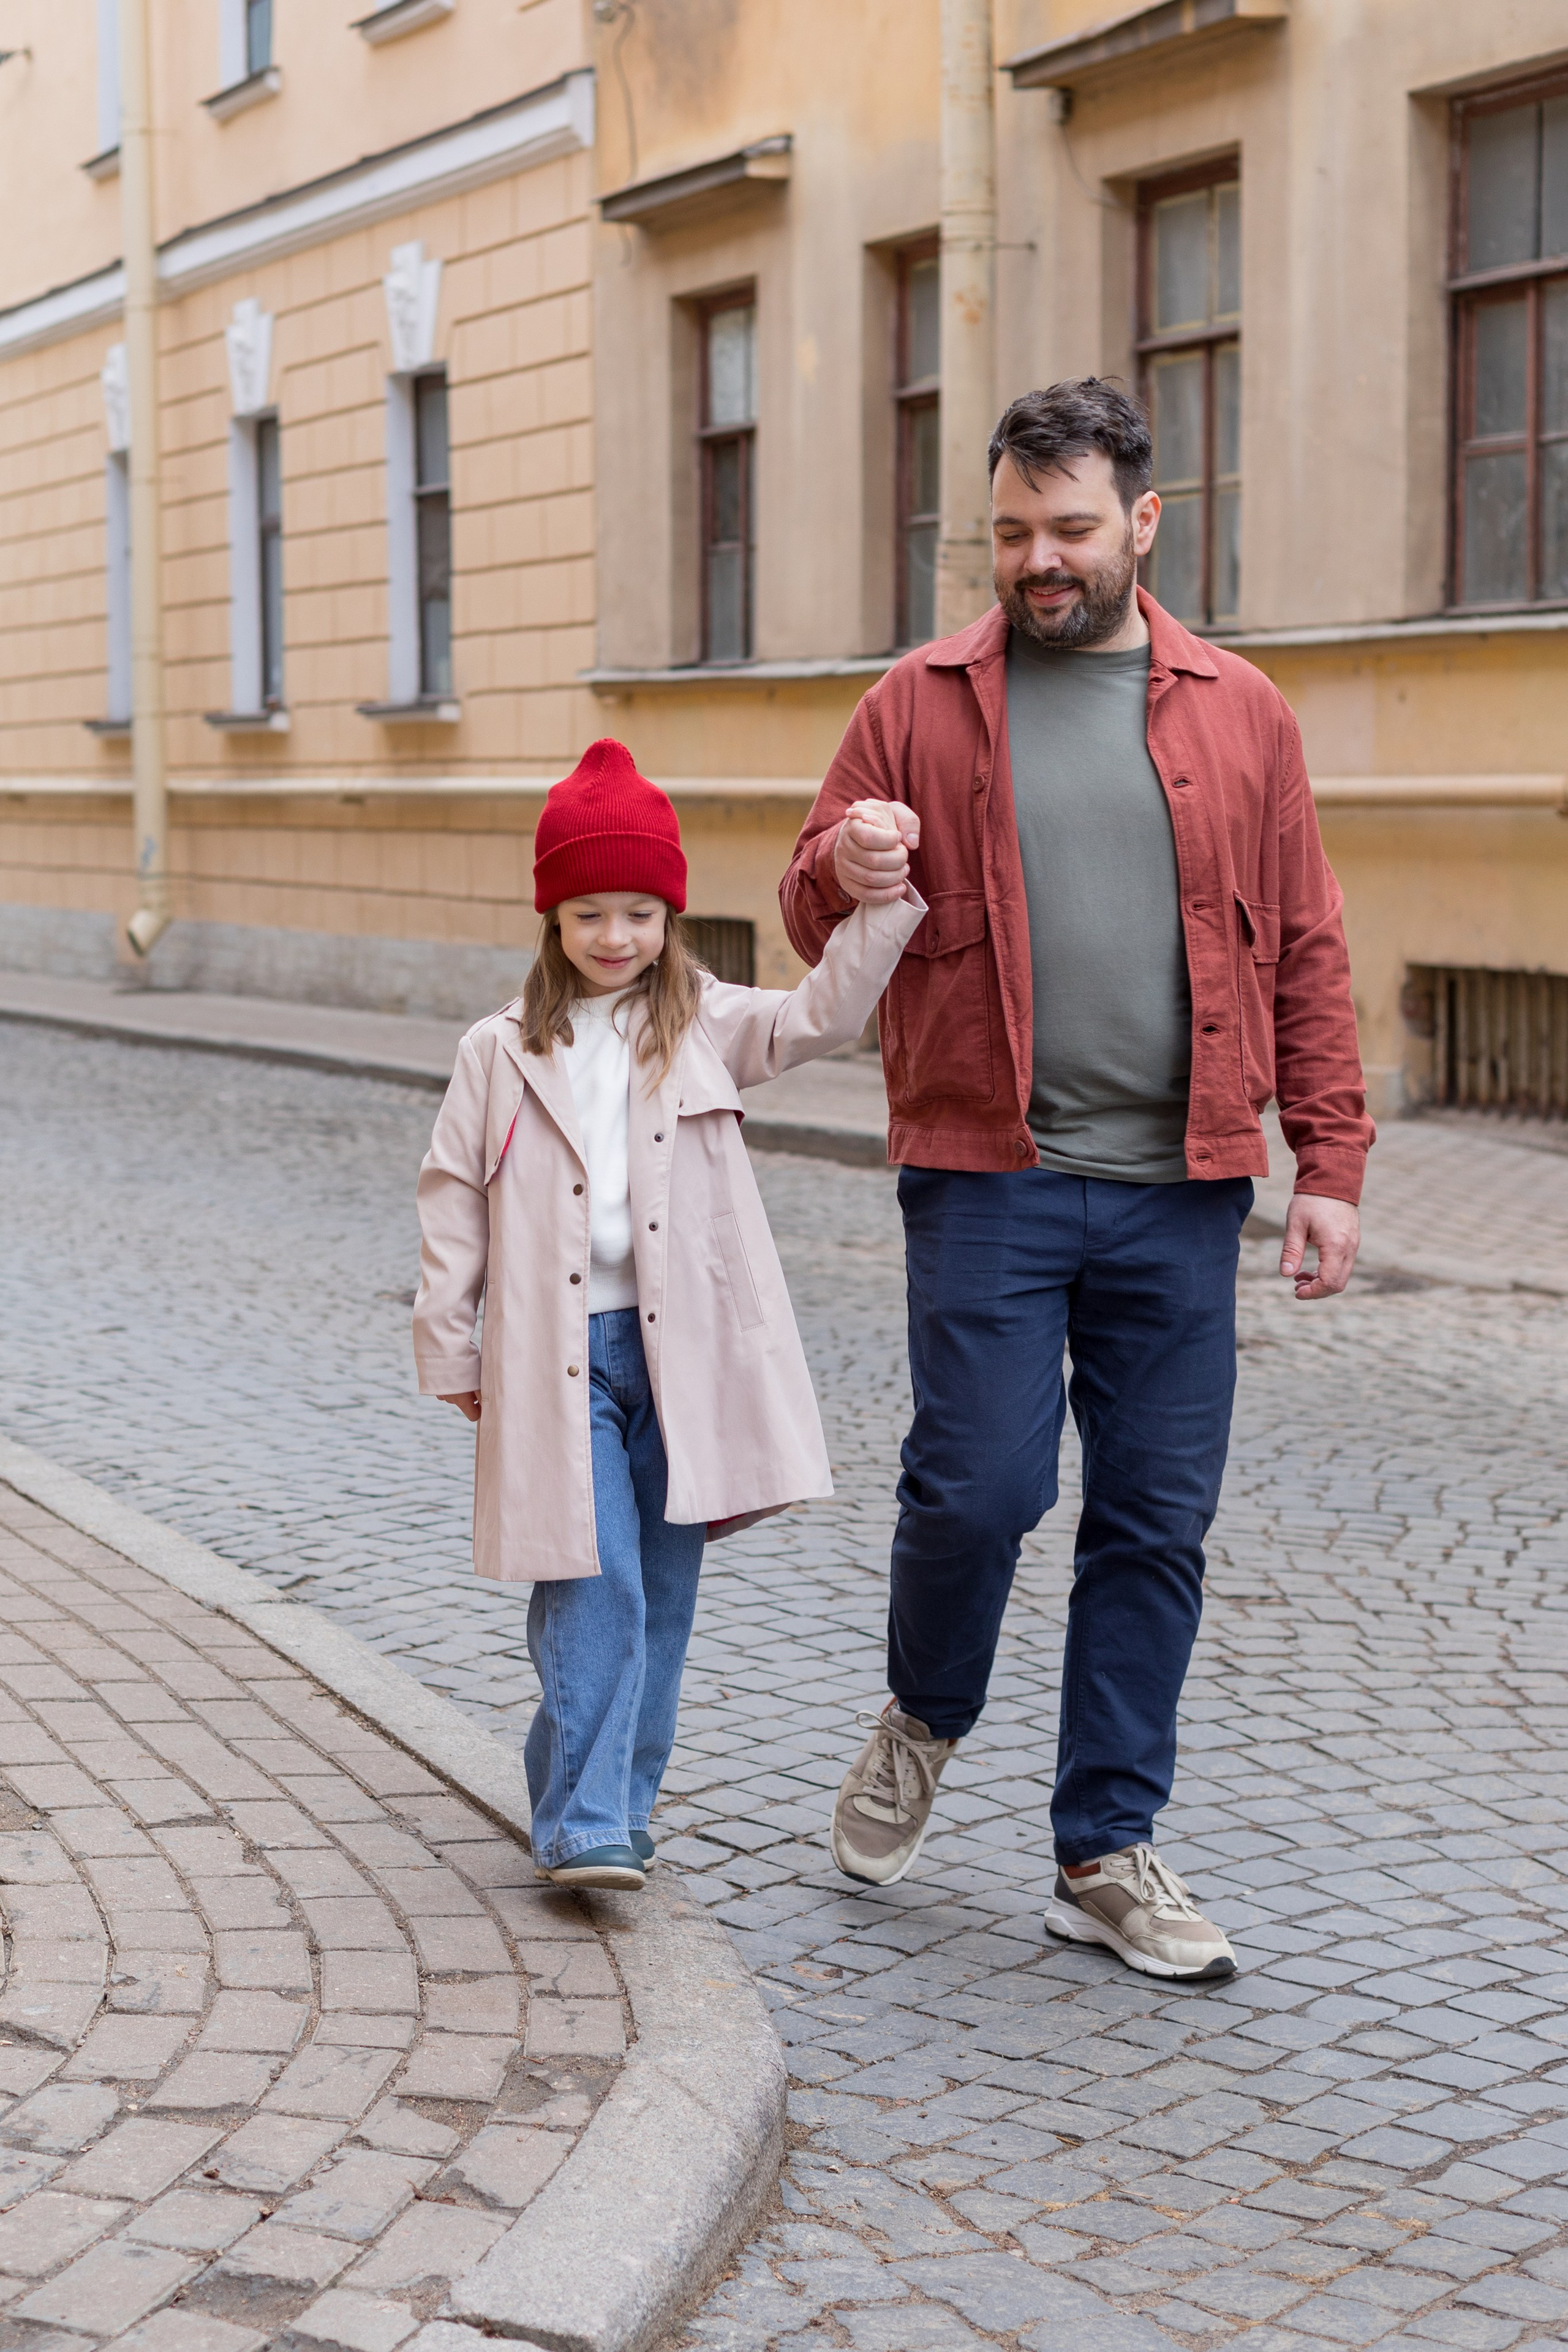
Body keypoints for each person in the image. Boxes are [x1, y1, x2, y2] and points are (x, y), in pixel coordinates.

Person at [782, 379, 1372, 1982]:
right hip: (990, 1172)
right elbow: (807, 902)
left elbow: (1307, 941)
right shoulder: (915, 703)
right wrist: (841, 864)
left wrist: (1328, 1161)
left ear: (1143, 523)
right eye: (1009, 534)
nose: (1038, 560)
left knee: (1153, 1521)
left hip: (1183, 1185)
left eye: (1068, 529)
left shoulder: (1242, 713)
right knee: (975, 1491)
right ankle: (924, 1716)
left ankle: (1104, 1849)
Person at [412, 738, 925, 1891]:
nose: (615, 937)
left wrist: (881, 902)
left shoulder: (707, 1024)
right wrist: (450, 1340)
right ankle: (587, 1823)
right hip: (555, 1357)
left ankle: (605, 1803)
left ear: (669, 917)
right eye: (589, 913)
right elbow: (452, 1198)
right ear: (553, 918)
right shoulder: (498, 1051)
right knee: (592, 1578)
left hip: (681, 1356)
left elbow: (824, 1015)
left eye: (639, 914)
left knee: (659, 1597)